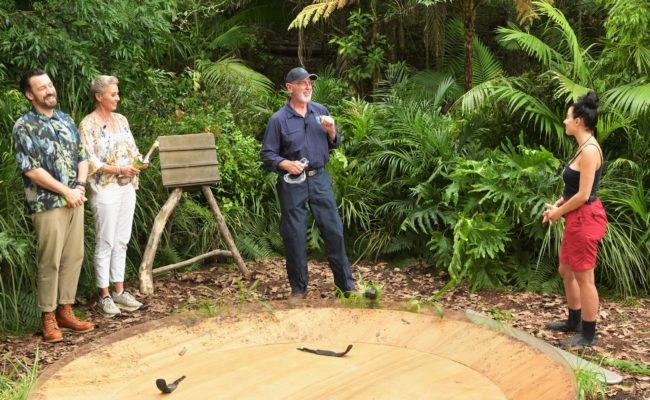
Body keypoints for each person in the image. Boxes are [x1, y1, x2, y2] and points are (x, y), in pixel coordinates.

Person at [13, 68, 95, 342]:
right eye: (42, 88)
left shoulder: (66, 120)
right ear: (30, 95)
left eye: (50, 85)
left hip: (76, 198)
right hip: (47, 203)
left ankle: (65, 311)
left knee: (74, 256)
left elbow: (82, 157)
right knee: (51, 261)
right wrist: (66, 191)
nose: (49, 91)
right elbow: (31, 170)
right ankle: (48, 317)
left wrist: (80, 187)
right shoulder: (24, 126)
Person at [261, 67, 355, 299]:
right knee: (295, 235)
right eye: (302, 83)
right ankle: (298, 290)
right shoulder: (278, 120)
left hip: (320, 179)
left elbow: (335, 143)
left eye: (310, 83)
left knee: (334, 231)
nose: (308, 86)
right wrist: (285, 163)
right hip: (293, 182)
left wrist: (332, 131)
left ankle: (346, 288)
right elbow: (267, 154)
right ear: (289, 88)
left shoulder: (320, 111)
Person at [542, 90, 607, 346]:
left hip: (585, 217)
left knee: (584, 277)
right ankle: (573, 320)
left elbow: (583, 194)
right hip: (576, 215)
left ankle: (589, 335)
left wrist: (559, 212)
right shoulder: (582, 147)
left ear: (578, 121)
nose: (565, 121)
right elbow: (574, 190)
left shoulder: (590, 150)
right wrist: (558, 203)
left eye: (567, 117)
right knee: (566, 270)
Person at [79, 75, 146, 317]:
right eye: (113, 94)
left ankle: (119, 290)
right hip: (104, 188)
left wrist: (139, 162)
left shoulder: (121, 119)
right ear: (99, 96)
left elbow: (132, 149)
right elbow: (90, 160)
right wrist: (118, 169)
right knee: (105, 241)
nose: (117, 98)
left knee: (122, 239)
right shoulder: (88, 124)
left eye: (117, 93)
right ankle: (104, 295)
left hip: (127, 186)